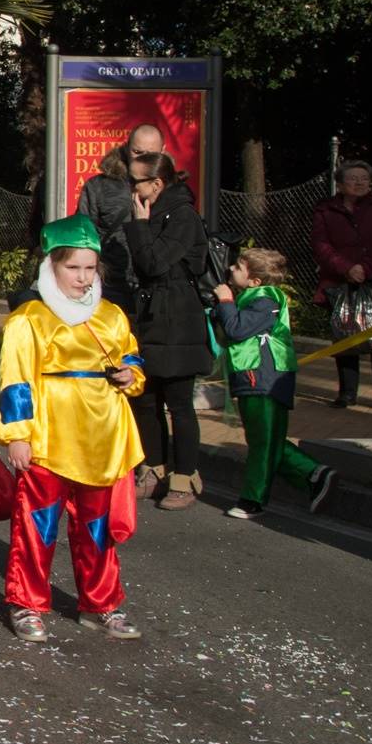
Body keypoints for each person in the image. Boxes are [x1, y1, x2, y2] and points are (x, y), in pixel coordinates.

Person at [0, 215, 147, 644]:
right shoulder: (30, 318)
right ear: (52, 266)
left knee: (97, 531)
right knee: (36, 527)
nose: (83, 278)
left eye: (89, 268)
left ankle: (101, 604)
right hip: (49, 439)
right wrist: (19, 434)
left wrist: (129, 374)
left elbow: (133, 358)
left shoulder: (112, 315)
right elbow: (16, 379)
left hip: (102, 437)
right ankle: (27, 603)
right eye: (73, 268)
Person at [212, 248, 338, 519]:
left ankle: (253, 500)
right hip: (259, 376)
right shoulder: (252, 297)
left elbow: (237, 329)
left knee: (262, 440)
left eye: (238, 267)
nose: (231, 269)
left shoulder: (264, 298)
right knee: (266, 438)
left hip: (263, 377)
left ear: (255, 280)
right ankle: (314, 474)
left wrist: (225, 302)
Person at [123, 151, 211, 511]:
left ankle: (184, 476)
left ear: (156, 184)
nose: (131, 188)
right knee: (146, 398)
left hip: (178, 320)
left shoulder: (183, 216)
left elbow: (154, 263)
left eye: (135, 182)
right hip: (152, 317)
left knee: (179, 402)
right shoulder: (155, 213)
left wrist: (140, 226)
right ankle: (154, 469)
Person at [310, 160, 372, 409]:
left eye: (364, 178)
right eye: (353, 178)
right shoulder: (325, 209)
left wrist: (365, 269)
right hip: (340, 280)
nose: (359, 183)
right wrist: (346, 268)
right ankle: (347, 393)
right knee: (344, 336)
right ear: (340, 183)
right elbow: (321, 244)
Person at [76, 124, 165, 312]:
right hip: (110, 288)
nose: (143, 158)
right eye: (137, 151)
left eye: (151, 153)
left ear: (162, 152)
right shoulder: (99, 186)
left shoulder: (172, 189)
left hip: (158, 289)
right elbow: (82, 236)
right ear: (126, 147)